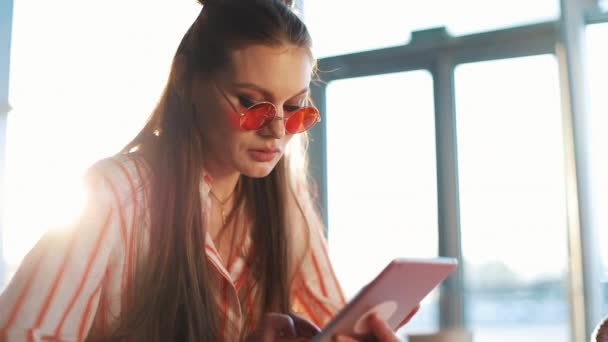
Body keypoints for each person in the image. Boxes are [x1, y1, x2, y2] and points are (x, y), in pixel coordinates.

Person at [0, 0, 418, 341]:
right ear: (186, 79)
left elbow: (333, 323)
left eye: (294, 109)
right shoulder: (115, 195)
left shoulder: (286, 208)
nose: (276, 130)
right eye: (251, 103)